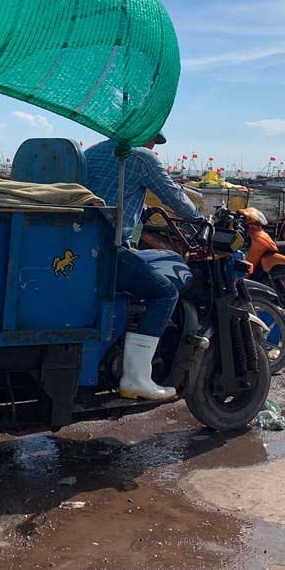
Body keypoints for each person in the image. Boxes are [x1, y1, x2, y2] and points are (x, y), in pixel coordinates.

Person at [85, 134, 203, 401]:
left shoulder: (92, 152)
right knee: (165, 293)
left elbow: (112, 190)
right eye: (153, 140)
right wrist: (199, 218)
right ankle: (136, 378)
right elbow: (172, 195)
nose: (153, 146)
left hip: (83, 248)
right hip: (110, 250)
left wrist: (143, 207)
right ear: (145, 131)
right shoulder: (140, 156)